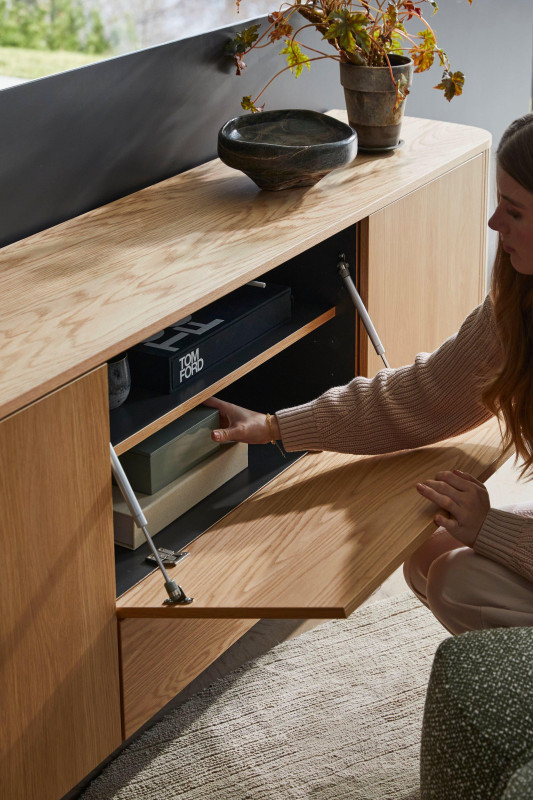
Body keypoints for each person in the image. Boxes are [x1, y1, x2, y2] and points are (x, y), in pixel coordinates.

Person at [205, 113, 533, 635]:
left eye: (512, 211)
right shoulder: (518, 307)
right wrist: (276, 427)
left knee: (456, 580)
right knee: (428, 551)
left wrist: (489, 528)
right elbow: (423, 397)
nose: (493, 225)